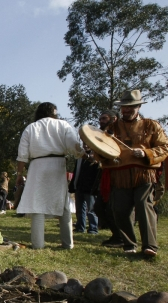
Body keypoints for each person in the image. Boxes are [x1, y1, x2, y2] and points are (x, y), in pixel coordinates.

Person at [95, 90, 168, 257]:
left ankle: (150, 246)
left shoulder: (151, 125)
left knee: (144, 206)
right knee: (120, 209)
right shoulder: (112, 128)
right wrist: (102, 154)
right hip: (119, 175)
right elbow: (101, 149)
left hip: (144, 174)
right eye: (123, 107)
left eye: (130, 107)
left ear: (139, 106)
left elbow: (165, 147)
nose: (126, 110)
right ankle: (129, 244)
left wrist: (146, 153)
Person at [15, 102, 84, 249]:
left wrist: (19, 174)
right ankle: (68, 244)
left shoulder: (31, 128)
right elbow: (75, 146)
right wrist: (82, 154)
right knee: (63, 204)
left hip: (37, 167)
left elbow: (22, 156)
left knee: (38, 205)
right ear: (54, 112)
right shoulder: (63, 125)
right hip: (57, 165)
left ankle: (38, 244)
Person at [94, 110, 124, 247]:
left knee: (115, 208)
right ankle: (117, 235)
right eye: (100, 119)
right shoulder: (102, 135)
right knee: (99, 207)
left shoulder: (121, 131)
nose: (101, 121)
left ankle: (121, 237)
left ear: (114, 118)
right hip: (106, 174)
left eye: (104, 118)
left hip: (121, 175)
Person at [69, 144, 100, 234]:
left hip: (90, 188)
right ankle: (80, 226)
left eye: (87, 144)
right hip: (79, 186)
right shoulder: (79, 157)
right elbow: (76, 171)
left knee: (91, 210)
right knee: (79, 209)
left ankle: (93, 228)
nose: (86, 145)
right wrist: (73, 185)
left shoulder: (95, 157)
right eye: (84, 143)